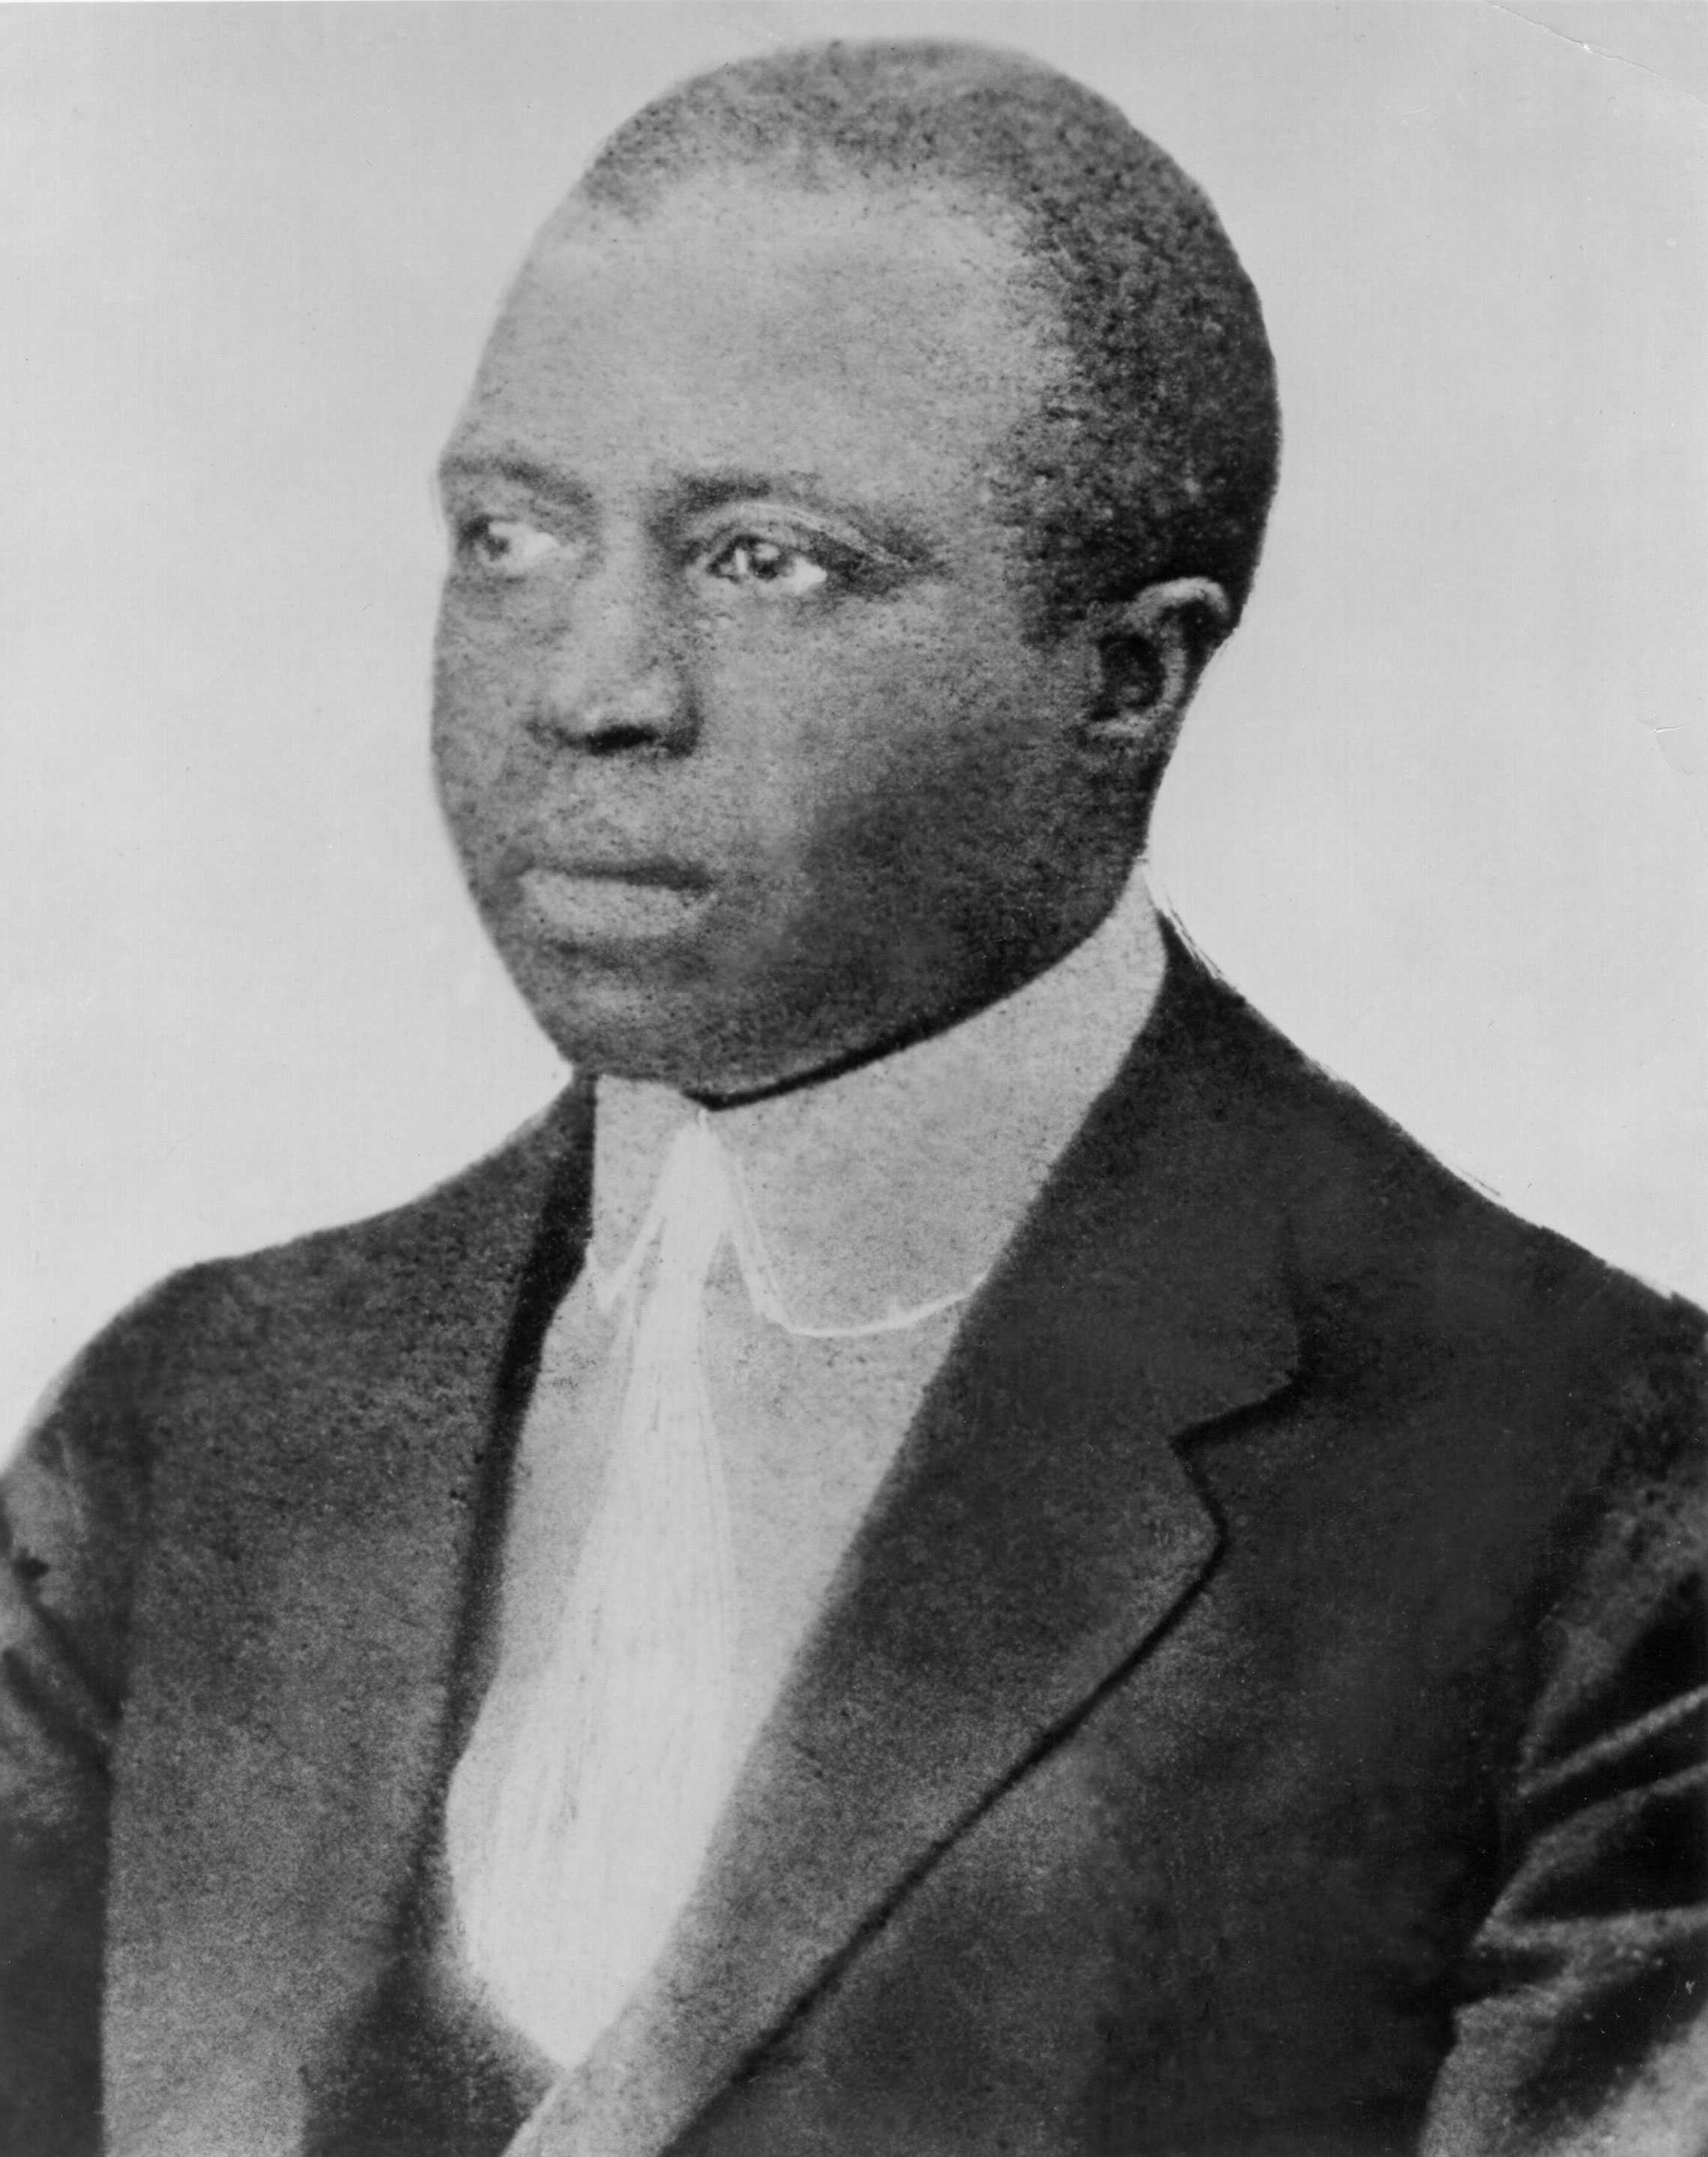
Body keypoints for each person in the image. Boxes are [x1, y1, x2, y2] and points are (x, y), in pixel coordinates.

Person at [2, 40, 1703, 2157]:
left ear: (1128, 674)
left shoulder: (1600, 1491)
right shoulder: (191, 1425)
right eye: (511, 535)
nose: (588, 689)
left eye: (766, 560)